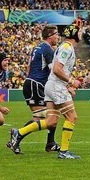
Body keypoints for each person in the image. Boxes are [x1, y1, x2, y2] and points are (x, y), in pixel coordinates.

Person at [11, 25, 83, 159]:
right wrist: (71, 82)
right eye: (79, 32)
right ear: (74, 34)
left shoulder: (63, 47)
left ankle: (19, 132)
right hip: (56, 86)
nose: (81, 34)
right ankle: (64, 152)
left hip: (50, 85)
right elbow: (56, 69)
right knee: (72, 117)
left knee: (51, 121)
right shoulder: (66, 47)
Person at [7, 25, 61, 154]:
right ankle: (17, 134)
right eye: (56, 34)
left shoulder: (37, 47)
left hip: (34, 83)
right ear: (50, 36)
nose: (58, 37)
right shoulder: (48, 50)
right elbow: (54, 71)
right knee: (47, 117)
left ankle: (50, 143)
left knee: (47, 115)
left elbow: (29, 67)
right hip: (36, 85)